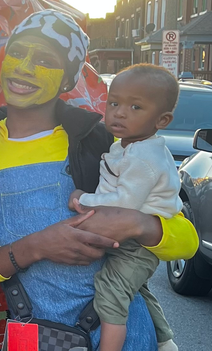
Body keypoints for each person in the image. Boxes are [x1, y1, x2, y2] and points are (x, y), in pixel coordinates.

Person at [0, 10, 199, 350]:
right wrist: (35, 247)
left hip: (122, 333)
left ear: (67, 80)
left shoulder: (102, 142)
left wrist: (139, 223)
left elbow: (187, 242)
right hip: (30, 337)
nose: (25, 67)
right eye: (17, 52)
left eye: (45, 60)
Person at [70, 64, 181, 351]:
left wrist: (83, 199)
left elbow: (123, 204)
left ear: (162, 119)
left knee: (111, 293)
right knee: (136, 289)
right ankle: (165, 341)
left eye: (135, 107)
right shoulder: (130, 145)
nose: (119, 113)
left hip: (137, 246)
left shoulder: (143, 157)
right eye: (114, 103)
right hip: (134, 239)